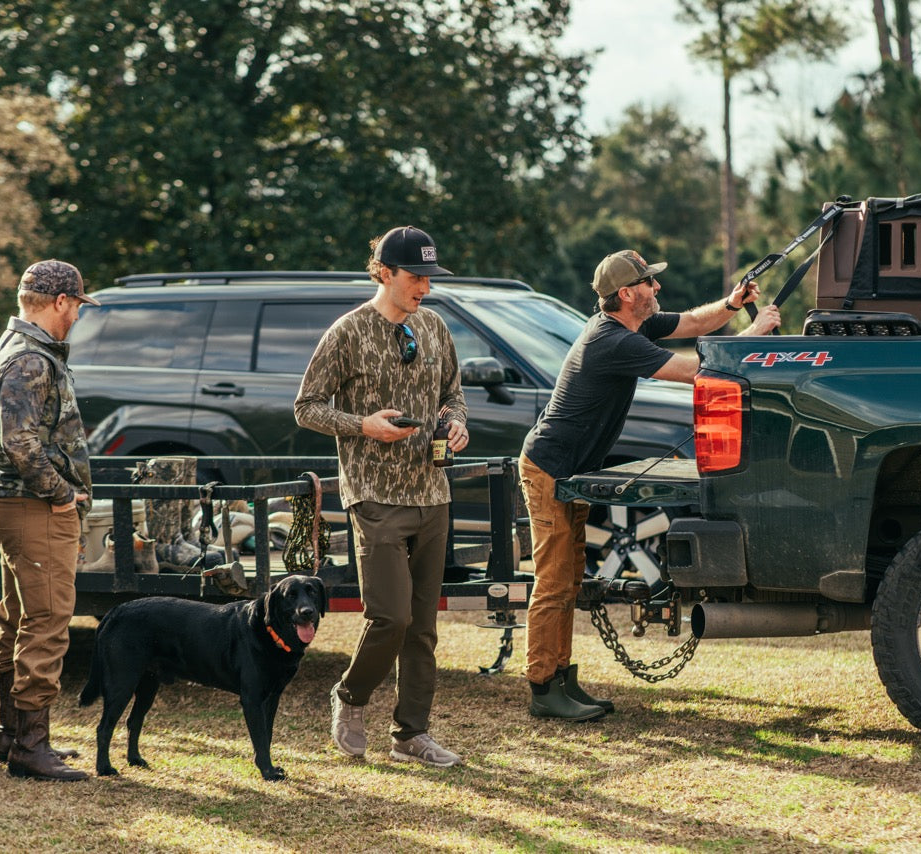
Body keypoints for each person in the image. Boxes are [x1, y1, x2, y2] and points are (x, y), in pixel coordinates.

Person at [520, 249, 781, 720]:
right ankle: (543, 687)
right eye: (648, 283)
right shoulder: (613, 341)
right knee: (555, 582)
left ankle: (561, 677)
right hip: (549, 468)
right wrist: (753, 334)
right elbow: (696, 372)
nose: (656, 289)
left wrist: (730, 302)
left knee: (570, 576)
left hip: (572, 469)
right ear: (625, 294)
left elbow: (695, 325)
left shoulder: (634, 325)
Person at [295, 225, 470, 767]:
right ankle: (349, 698)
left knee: (423, 626)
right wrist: (362, 425)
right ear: (384, 273)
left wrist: (457, 424)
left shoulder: (435, 327)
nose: (424, 287)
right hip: (374, 495)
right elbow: (306, 407)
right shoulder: (347, 332)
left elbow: (453, 396)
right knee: (389, 617)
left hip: (432, 492)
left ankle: (411, 733)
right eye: (415, 277)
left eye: (428, 277)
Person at [0, 259, 101, 780]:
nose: (77, 314)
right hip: (33, 508)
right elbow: (20, 442)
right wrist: (59, 495)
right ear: (59, 302)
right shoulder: (31, 358)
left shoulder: (17, 349)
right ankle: (31, 746)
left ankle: (12, 736)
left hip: (15, 505)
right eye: (76, 304)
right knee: (48, 622)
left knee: (16, 617)